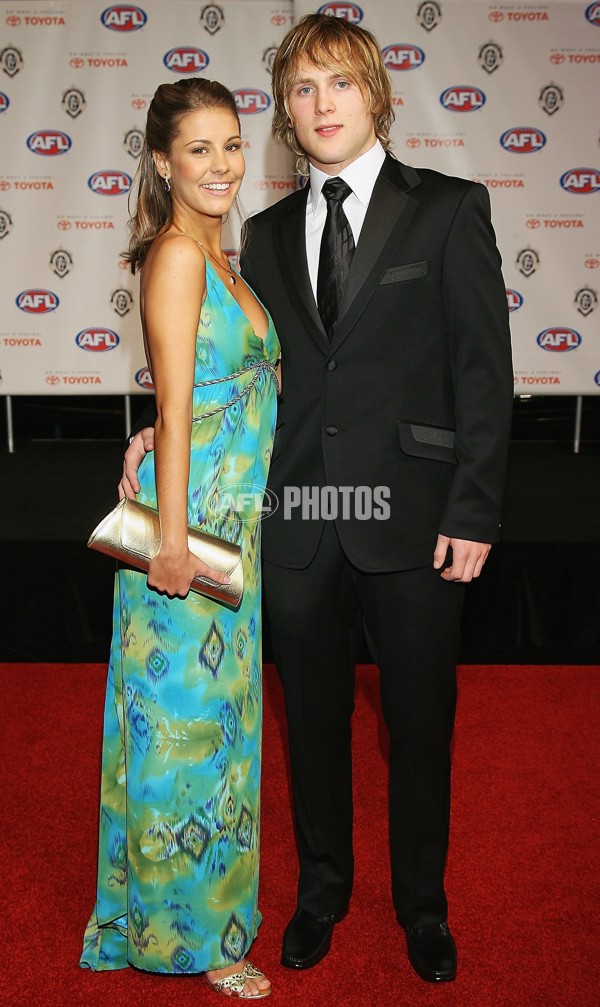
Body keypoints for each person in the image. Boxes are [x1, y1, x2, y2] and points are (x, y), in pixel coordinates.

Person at [122, 14, 514, 985]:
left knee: (420, 721)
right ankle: (322, 890)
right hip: (293, 519)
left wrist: (474, 509)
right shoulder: (258, 232)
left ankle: (424, 905)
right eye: (301, 90)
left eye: (338, 83)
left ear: (375, 95)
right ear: (286, 116)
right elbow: (257, 371)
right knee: (312, 723)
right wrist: (160, 432)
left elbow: (483, 370)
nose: (321, 103)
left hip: (417, 516)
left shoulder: (448, 208)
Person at [81, 77, 279, 999]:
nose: (221, 164)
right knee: (183, 741)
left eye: (232, 144)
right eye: (198, 149)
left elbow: (197, 397)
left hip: (235, 532)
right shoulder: (177, 257)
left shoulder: (221, 256)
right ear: (163, 161)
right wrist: (168, 542)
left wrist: (167, 435)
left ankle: (205, 914)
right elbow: (168, 396)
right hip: (190, 539)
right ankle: (191, 938)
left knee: (227, 734)